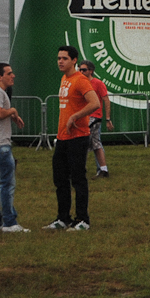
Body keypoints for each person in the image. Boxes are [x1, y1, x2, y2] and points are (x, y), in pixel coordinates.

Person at [43, 46, 100, 231]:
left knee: (78, 178)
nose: (60, 61)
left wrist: (75, 116)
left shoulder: (80, 80)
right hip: (62, 137)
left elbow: (95, 103)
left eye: (64, 58)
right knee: (60, 178)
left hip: (78, 136)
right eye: (58, 58)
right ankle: (63, 218)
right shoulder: (64, 78)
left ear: (74, 60)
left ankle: (83, 219)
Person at [0, 62, 27, 232]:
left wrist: (12, 114)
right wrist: (12, 110)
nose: (13, 75)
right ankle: (9, 222)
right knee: (6, 184)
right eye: (9, 73)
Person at [78, 61, 113, 178]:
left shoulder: (97, 83)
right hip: (83, 117)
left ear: (91, 71)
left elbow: (106, 100)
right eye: (80, 69)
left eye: (84, 70)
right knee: (88, 143)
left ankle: (103, 169)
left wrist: (108, 119)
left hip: (94, 117)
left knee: (95, 143)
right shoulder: (80, 83)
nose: (81, 72)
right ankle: (98, 168)